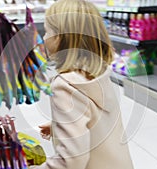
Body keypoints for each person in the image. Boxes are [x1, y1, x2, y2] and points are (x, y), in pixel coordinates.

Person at [29, 0, 134, 168]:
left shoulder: (65, 86)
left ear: (62, 38)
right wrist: (61, 124)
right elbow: (97, 119)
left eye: (47, 31)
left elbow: (71, 161)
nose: (44, 38)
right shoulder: (97, 71)